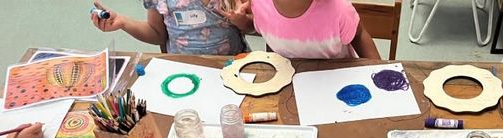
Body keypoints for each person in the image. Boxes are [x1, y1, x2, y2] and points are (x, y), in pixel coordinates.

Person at [221, 0, 380, 59]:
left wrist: (379, 70)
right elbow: (259, 26)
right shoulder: (259, 5)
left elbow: (358, 36)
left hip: (336, 77)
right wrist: (242, 22)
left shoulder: (338, 10)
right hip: (288, 81)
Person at [90, 0, 247, 55]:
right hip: (182, 69)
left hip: (233, 63)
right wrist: (123, 22)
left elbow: (253, 27)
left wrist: (242, 21)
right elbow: (157, 34)